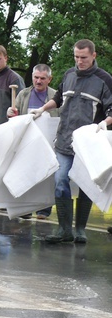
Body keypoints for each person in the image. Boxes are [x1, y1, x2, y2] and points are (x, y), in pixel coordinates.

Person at [32, 39, 112, 244]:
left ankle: (80, 230)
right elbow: (58, 99)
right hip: (64, 141)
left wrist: (105, 122)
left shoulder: (104, 80)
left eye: (83, 57)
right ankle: (64, 230)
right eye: (76, 57)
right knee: (60, 181)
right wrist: (42, 109)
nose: (79, 61)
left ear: (93, 56)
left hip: (88, 144)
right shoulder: (68, 74)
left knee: (86, 185)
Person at [6, 64, 59, 219]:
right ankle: (26, 209)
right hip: (27, 141)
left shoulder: (56, 96)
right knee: (26, 174)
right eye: (36, 77)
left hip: (48, 141)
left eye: (42, 78)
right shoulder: (23, 94)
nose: (38, 81)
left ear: (49, 79)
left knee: (46, 175)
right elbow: (15, 117)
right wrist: (10, 113)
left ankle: (44, 209)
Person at [0, 45, 25, 183]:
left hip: (7, 131)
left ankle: (8, 197)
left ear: (6, 58)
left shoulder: (14, 79)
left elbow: (21, 104)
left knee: (6, 166)